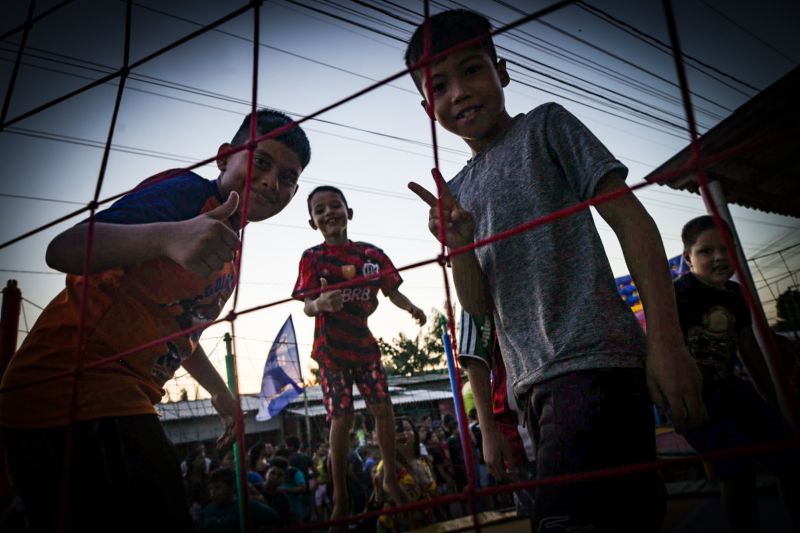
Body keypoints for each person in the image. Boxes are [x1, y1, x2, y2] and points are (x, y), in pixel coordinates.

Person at [403, 10, 706, 531]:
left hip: (593, 365)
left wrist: (666, 340)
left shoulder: (545, 125)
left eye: (472, 70)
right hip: (533, 389)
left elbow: (631, 220)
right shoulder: (459, 189)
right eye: (440, 86)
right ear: (427, 105)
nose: (459, 93)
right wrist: (460, 246)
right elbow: (478, 307)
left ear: (503, 71)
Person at [0, 109, 310, 532]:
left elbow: (178, 328)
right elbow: (64, 248)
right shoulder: (186, 195)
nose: (274, 182)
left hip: (123, 395)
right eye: (261, 161)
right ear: (224, 157)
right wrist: (167, 236)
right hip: (64, 387)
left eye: (289, 177)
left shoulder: (228, 246)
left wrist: (222, 395)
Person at [292, 185, 427, 527]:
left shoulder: (371, 255)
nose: (328, 213)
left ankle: (390, 478)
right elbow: (307, 304)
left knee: (384, 409)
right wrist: (319, 304)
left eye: (334, 206)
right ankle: (339, 495)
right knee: (343, 417)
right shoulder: (313, 257)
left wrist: (411, 307)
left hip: (363, 346)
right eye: (319, 210)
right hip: (331, 350)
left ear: (349, 212)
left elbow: (392, 290)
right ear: (313, 222)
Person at [675, 215, 800, 533]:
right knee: (736, 472)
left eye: (725, 249)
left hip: (729, 387)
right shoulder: (677, 294)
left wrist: (774, 400)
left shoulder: (733, 293)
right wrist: (681, 404)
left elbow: (749, 350)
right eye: (706, 251)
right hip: (694, 394)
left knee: (789, 454)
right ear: (688, 258)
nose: (718, 257)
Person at [373, 417, 437, 533]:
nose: (403, 433)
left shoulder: (424, 461)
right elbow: (380, 497)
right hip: (398, 526)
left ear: (415, 434)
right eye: (397, 431)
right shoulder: (385, 467)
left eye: (407, 429)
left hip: (428, 522)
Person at [200, 467, 280, 533]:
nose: (213, 492)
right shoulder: (207, 510)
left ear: (232, 487)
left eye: (218, 488)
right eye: (211, 488)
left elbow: (274, 517)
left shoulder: (246, 506)